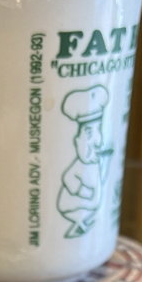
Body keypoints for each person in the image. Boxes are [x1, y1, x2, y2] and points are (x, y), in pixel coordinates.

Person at [56, 84, 112, 238]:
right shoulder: (78, 165)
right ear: (77, 140)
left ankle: (82, 226)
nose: (95, 142)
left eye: (98, 131)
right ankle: (78, 225)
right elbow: (68, 177)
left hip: (87, 204)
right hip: (72, 203)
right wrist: (83, 191)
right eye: (88, 132)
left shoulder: (94, 163)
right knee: (79, 211)